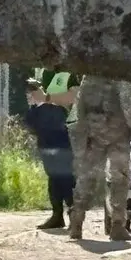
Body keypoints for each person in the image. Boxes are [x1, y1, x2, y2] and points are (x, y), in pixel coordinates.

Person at [69, 77, 131, 241]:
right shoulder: (120, 72)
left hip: (93, 132)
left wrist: (82, 130)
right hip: (118, 134)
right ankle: (117, 225)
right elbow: (126, 101)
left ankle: (76, 222)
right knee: (119, 179)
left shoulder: (90, 75)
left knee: (87, 177)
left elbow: (80, 105)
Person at [27, 68, 81, 229]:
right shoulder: (42, 71)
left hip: (64, 131)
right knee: (53, 174)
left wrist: (46, 98)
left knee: (66, 175)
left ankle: (74, 214)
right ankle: (57, 215)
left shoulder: (70, 71)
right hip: (46, 131)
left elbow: (73, 96)